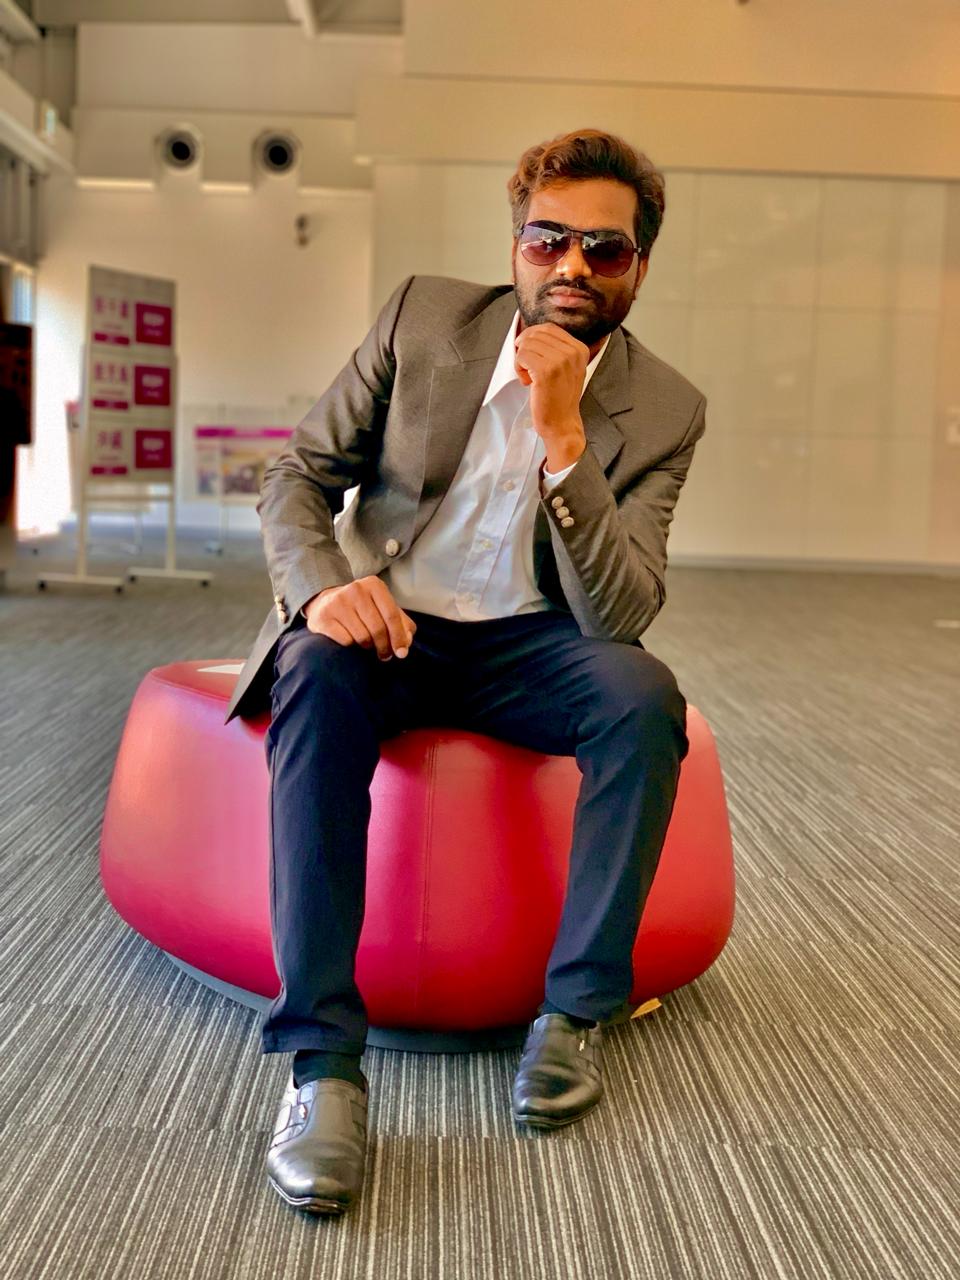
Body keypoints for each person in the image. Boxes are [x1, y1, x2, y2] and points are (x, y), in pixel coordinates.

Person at [226, 128, 707, 1216]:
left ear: (638, 267)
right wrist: (323, 589)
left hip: (531, 646)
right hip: (389, 623)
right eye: (549, 239)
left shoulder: (667, 408)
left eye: (605, 248)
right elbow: (298, 474)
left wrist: (564, 437)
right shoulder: (424, 320)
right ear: (516, 245)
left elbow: (621, 614)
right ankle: (319, 1066)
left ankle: (574, 1014)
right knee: (313, 669)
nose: (573, 266)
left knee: (644, 697)